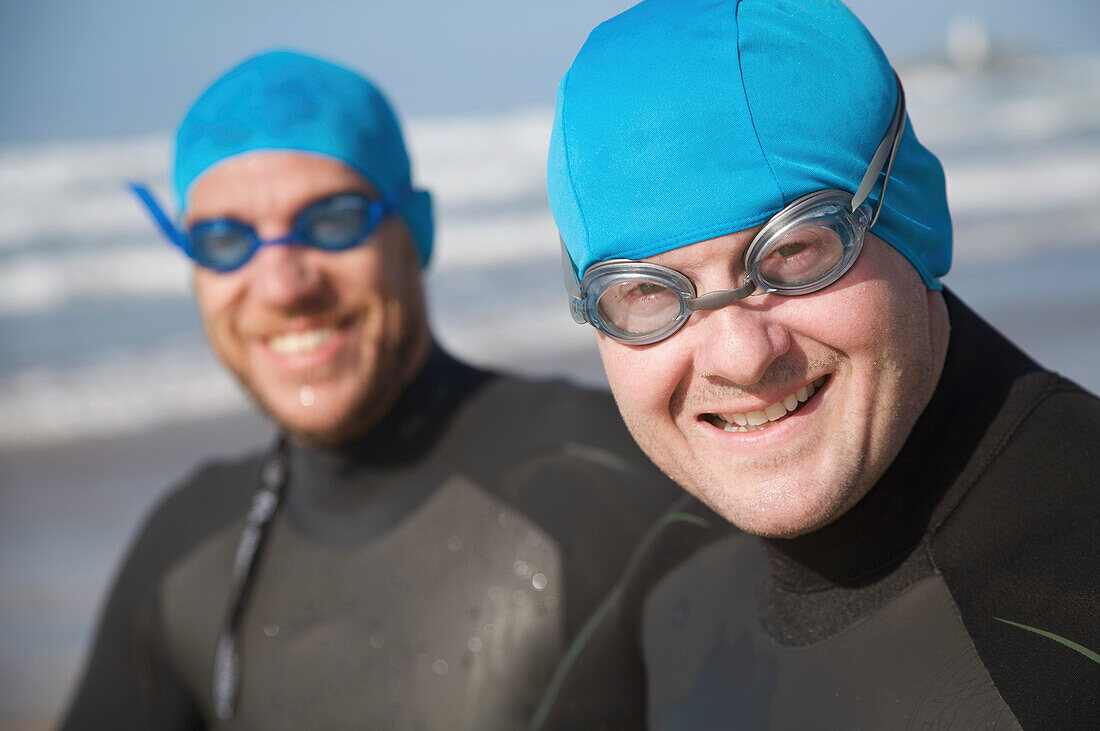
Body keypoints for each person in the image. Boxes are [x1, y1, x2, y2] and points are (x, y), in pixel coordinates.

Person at [60, 50, 679, 730]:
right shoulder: (183, 547)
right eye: (224, 239)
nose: (283, 284)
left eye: (333, 220)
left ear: (417, 232)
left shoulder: (618, 483)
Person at [535, 0, 1100, 728]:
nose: (740, 357)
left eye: (794, 250)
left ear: (912, 213)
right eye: (644, 292)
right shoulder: (674, 571)